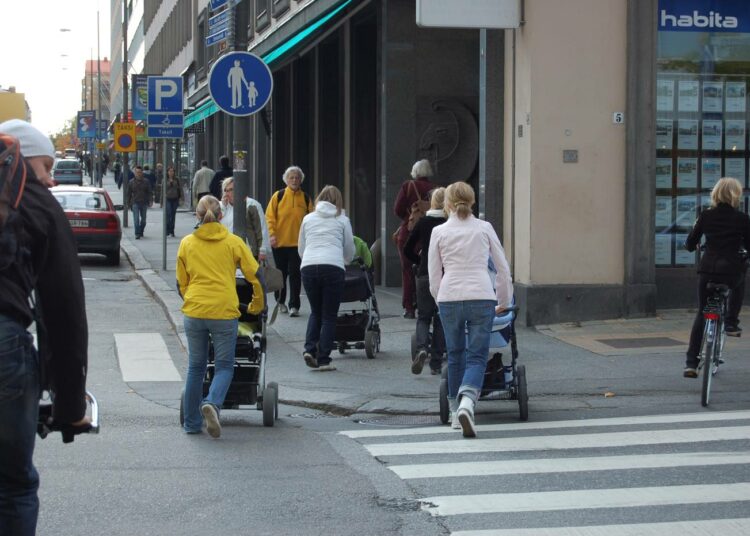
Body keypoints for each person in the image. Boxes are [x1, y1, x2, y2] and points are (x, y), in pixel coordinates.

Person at [0, 122, 89, 535]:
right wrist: (70, 407)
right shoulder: (36, 202)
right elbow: (63, 311)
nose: (52, 178)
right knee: (12, 486)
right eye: (46, 165)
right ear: (21, 158)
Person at [428, 182, 512, 438]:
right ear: (472, 201)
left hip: (449, 296)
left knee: (455, 354)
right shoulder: (484, 228)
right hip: (481, 295)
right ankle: (467, 402)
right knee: (477, 356)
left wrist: (439, 298)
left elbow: (434, 274)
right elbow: (502, 268)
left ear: (448, 203)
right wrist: (504, 300)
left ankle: (455, 413)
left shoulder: (439, 232)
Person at [177, 195, 264, 438]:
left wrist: (190, 299)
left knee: (196, 366)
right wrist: (256, 303)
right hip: (223, 310)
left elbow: (181, 282)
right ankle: (213, 403)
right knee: (225, 366)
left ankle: (192, 424)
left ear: (197, 215)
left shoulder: (186, 243)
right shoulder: (234, 242)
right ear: (221, 215)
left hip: (194, 310)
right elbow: (255, 275)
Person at [683, 177, 750, 378]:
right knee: (741, 278)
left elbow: (690, 243)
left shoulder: (705, 216)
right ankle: (730, 322)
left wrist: (694, 245)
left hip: (707, 269)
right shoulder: (742, 219)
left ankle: (691, 364)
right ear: (736, 195)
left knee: (702, 313)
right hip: (730, 270)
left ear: (716, 194)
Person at [298, 186, 355, 371]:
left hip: (308, 266)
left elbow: (301, 247)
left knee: (315, 312)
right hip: (332, 266)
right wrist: (345, 261)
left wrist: (308, 259)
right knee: (329, 316)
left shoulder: (307, 218)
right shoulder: (343, 220)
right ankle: (323, 359)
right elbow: (349, 248)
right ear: (338, 201)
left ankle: (309, 349)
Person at [404, 187, 447, 375]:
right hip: (446, 276)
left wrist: (419, 261)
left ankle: (421, 348)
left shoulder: (423, 223)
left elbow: (407, 249)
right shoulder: (448, 223)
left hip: (424, 274)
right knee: (440, 319)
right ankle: (436, 364)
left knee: (423, 316)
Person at [266, 166, 313, 317]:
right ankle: (280, 302)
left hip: (298, 245)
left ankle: (294, 306)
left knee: (295, 275)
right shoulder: (278, 196)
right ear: (286, 180)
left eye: (297, 178)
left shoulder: (305, 198)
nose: (294, 180)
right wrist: (272, 235)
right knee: (281, 275)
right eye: (291, 177)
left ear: (301, 180)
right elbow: (269, 218)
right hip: (279, 244)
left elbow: (312, 219)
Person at [393, 159, 438, 319]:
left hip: (409, 231)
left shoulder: (408, 186)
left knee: (407, 270)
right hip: (429, 233)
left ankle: (409, 307)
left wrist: (409, 218)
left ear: (415, 172)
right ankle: (427, 305)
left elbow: (397, 208)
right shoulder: (435, 188)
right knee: (429, 269)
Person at [126, 165, 153, 239]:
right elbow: (128, 194)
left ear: (142, 173)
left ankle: (141, 231)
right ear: (135, 173)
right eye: (137, 172)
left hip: (144, 203)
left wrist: (151, 201)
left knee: (143, 220)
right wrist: (128, 204)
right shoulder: (131, 182)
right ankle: (137, 233)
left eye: (140, 172)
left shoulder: (146, 181)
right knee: (136, 219)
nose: (138, 174)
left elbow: (150, 192)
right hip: (135, 203)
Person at [164, 165, 183, 238]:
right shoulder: (165, 179)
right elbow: (163, 190)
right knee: (168, 214)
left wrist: (181, 198)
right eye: (170, 171)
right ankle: (167, 230)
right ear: (167, 172)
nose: (171, 173)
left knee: (173, 215)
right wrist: (162, 201)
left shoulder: (177, 179)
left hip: (175, 198)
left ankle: (172, 231)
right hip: (168, 198)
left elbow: (180, 189)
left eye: (172, 171)